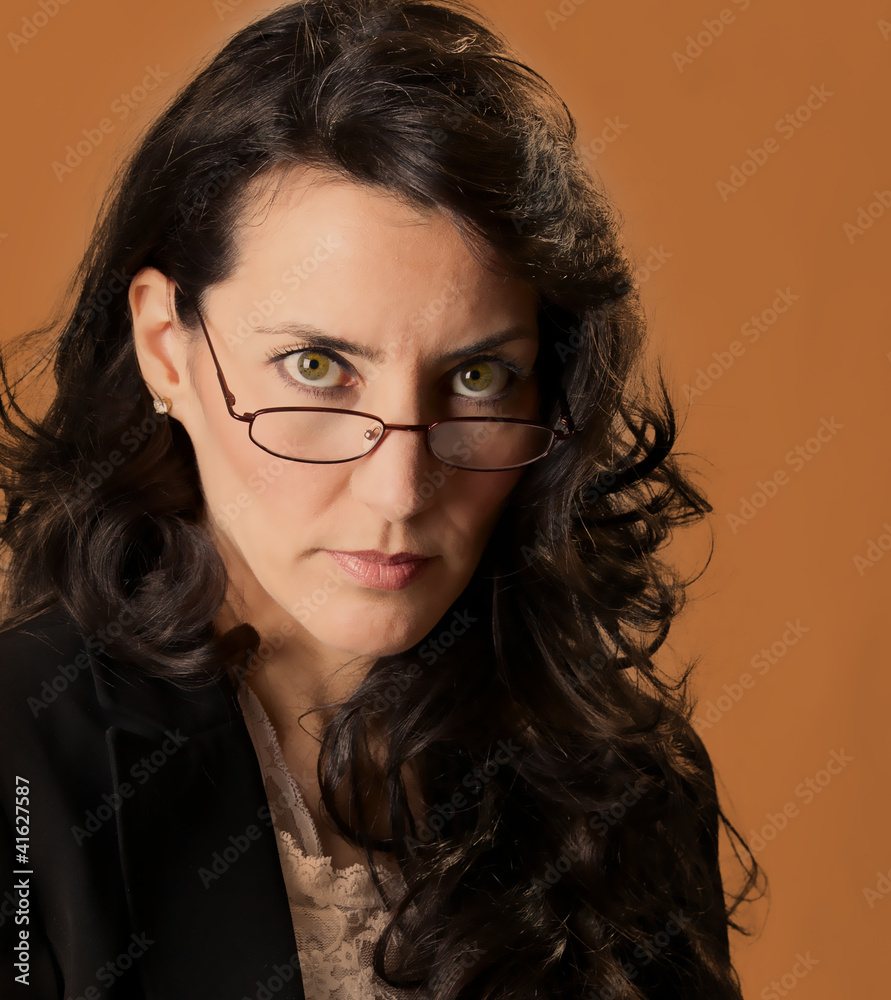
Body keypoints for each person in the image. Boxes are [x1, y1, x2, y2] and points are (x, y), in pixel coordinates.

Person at [0, 0, 763, 997]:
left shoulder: (627, 788)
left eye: (479, 380)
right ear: (165, 350)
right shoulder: (22, 760)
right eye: (318, 367)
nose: (401, 489)